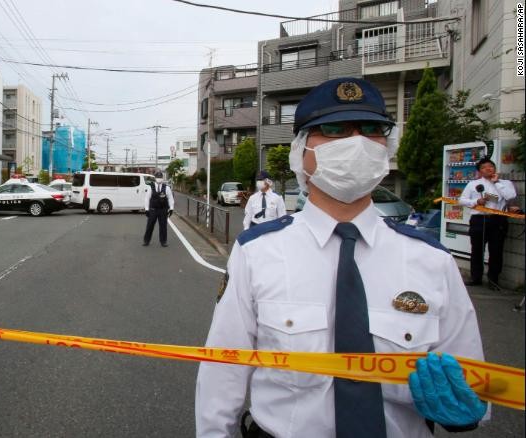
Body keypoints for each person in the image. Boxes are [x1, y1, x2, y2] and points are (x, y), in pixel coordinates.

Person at [196, 78, 487, 438]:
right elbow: (223, 371)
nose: (355, 142)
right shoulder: (257, 252)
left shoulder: (431, 260)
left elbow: (473, 381)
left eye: (371, 130)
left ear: (386, 147)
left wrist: (466, 408)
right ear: (301, 150)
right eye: (333, 129)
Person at [458, 157, 517, 290]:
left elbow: (510, 196)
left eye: (490, 166)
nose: (488, 169)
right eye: (484, 167)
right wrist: (476, 202)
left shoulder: (505, 183)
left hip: (498, 219)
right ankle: (476, 277)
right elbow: (461, 200)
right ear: (479, 171)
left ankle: (493, 280)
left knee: (496, 250)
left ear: (494, 168)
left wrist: (497, 183)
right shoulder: (473, 184)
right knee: (477, 250)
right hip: (479, 219)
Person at [143, 170, 174, 247]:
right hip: (153, 209)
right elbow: (147, 198)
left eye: (160, 177)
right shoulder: (151, 187)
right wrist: (146, 209)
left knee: (163, 226)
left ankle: (163, 241)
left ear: (162, 178)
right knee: (150, 225)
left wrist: (171, 208)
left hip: (163, 210)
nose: (159, 178)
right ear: (155, 178)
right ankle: (146, 241)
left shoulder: (166, 188)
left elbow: (170, 198)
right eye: (157, 177)